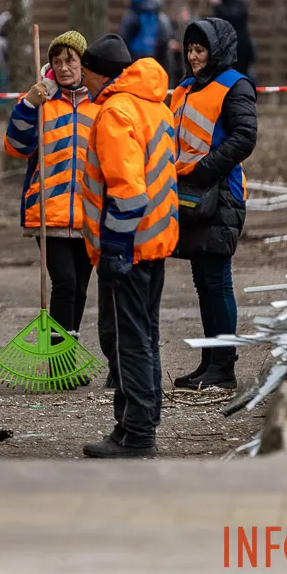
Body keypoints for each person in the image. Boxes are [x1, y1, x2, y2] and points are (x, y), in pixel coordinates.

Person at [77, 35, 179, 459]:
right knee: (144, 336)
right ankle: (134, 426)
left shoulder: (116, 111)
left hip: (129, 245)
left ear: (102, 73)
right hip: (154, 239)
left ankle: (137, 435)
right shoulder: (154, 104)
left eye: (85, 75)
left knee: (129, 341)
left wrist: (115, 249)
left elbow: (128, 190)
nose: (83, 84)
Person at [169, 18, 258, 391]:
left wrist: (205, 170)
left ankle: (224, 367)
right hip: (189, 193)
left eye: (200, 50)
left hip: (221, 194)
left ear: (216, 50)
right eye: (189, 50)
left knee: (218, 280)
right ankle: (209, 361)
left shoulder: (235, 86)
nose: (192, 56)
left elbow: (244, 137)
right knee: (203, 279)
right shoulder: (185, 88)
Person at [3, 30, 98, 345]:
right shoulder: (41, 101)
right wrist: (29, 104)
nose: (63, 68)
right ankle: (57, 362)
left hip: (87, 213)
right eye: (57, 62)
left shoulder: (98, 104)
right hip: (49, 212)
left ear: (84, 64)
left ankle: (67, 356)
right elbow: (16, 146)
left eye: (70, 61)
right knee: (66, 283)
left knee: (81, 287)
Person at [210, 0, 257, 80]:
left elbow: (232, 19)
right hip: (225, 48)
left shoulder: (238, 1)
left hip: (240, 48)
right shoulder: (225, 2)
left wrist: (218, 5)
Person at [118, 0, 174, 65]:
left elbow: (124, 41)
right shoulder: (158, 14)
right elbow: (165, 39)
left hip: (135, 62)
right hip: (155, 63)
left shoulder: (131, 16)